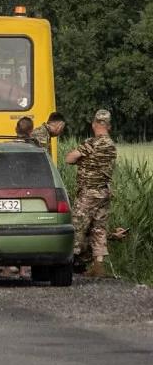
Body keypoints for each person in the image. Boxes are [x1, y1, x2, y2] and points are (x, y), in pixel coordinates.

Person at [65, 109, 118, 278]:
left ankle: (67, 263)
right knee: (99, 228)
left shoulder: (91, 143)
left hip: (89, 193)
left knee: (77, 226)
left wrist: (81, 159)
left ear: (94, 124)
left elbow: (69, 159)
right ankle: (98, 266)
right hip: (104, 191)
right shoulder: (111, 145)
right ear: (108, 126)